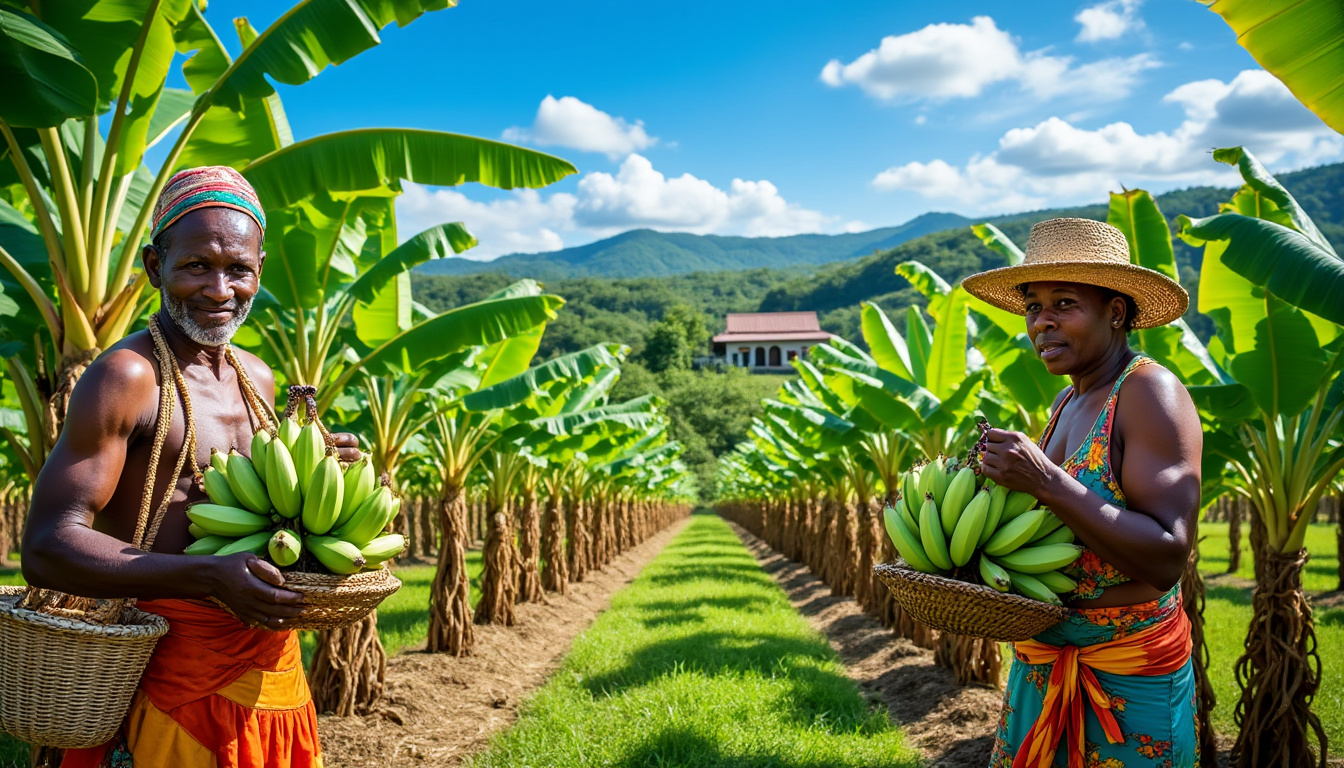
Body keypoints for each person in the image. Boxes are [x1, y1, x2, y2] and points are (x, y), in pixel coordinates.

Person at [22, 166, 360, 768]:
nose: (220, 289)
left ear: (260, 270)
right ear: (156, 267)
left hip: (269, 673)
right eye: (196, 265)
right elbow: (49, 545)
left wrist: (321, 471)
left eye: (240, 269)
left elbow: (259, 507)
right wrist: (205, 577)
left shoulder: (256, 378)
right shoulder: (127, 377)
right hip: (159, 673)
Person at [962, 218, 1203, 768]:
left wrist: (1045, 480)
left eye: (1064, 303)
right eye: (1032, 307)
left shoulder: (1148, 392)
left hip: (1126, 673)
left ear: (1115, 312)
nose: (1041, 323)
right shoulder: (1065, 405)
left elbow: (1168, 553)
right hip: (1044, 659)